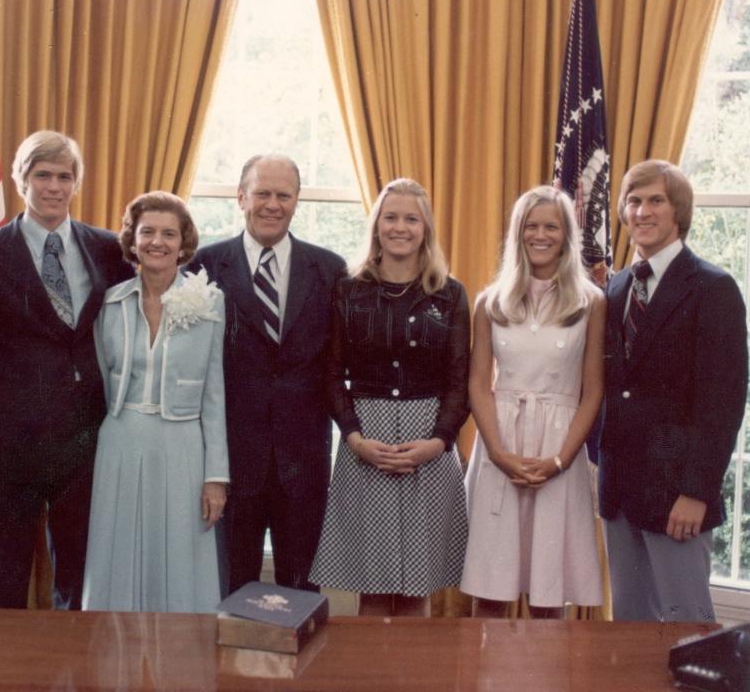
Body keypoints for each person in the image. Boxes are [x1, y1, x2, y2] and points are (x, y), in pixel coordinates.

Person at [0, 130, 133, 609]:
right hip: (11, 445)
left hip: (88, 440)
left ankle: (74, 679)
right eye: (42, 175)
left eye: (64, 176)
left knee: (80, 580)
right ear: (20, 181)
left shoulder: (110, 250)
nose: (54, 186)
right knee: (4, 577)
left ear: (77, 184)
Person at [309, 178, 470, 616]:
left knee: (418, 590)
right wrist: (355, 438)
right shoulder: (348, 289)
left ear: (426, 228)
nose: (400, 227)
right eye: (391, 217)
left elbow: (461, 379)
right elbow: (331, 373)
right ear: (377, 225)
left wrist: (438, 442)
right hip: (366, 440)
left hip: (430, 444)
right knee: (373, 589)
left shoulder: (451, 294)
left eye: (411, 219)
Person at [189, 154, 346, 593]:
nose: (272, 204)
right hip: (233, 461)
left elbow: (339, 365)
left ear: (297, 201)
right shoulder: (204, 267)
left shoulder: (331, 271)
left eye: (283, 195)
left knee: (301, 591)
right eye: (262, 193)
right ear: (241, 197)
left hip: (304, 461)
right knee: (231, 587)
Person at [599, 160, 747, 622]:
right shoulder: (616, 286)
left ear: (678, 210)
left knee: (686, 627)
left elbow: (723, 404)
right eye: (634, 201)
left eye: (655, 200)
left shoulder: (713, 287)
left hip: (677, 494)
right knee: (629, 625)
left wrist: (697, 492)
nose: (643, 211)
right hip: (620, 490)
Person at [459, 186, 605, 617]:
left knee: (547, 589)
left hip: (559, 451)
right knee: (490, 589)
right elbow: (478, 384)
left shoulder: (591, 302)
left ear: (566, 235)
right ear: (517, 233)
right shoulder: (491, 302)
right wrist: (500, 455)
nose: (540, 235)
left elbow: (592, 391)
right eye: (531, 226)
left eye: (551, 226)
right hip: (499, 448)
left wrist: (560, 460)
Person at [82, 192, 227, 612]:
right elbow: (99, 380)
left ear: (184, 243)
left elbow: (214, 394)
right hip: (120, 443)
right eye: (147, 232)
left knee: (181, 553)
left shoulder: (209, 302)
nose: (157, 242)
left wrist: (216, 475)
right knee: (117, 551)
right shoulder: (110, 302)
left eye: (169, 233)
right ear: (132, 240)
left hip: (183, 448)